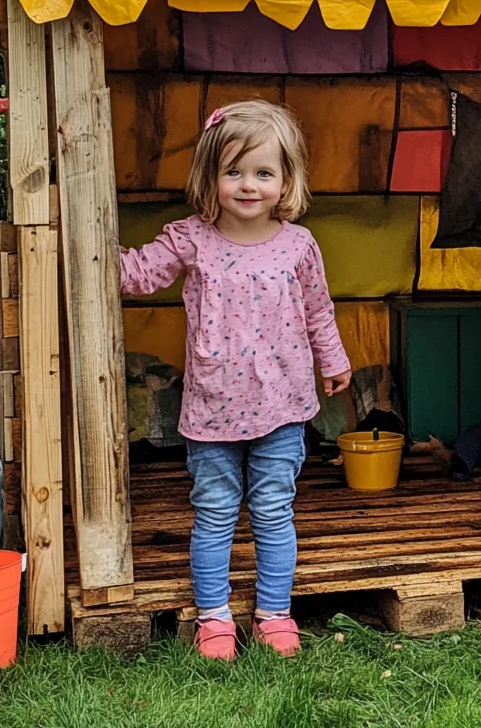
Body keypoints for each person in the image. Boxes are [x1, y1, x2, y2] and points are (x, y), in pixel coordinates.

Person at [120, 100, 351, 660]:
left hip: (281, 406)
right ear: (210, 175)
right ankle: (214, 617)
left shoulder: (299, 245)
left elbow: (318, 310)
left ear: (286, 179)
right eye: (234, 171)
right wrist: (81, 244)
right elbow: (136, 275)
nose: (249, 185)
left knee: (273, 509)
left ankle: (274, 613)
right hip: (213, 412)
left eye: (264, 173)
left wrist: (335, 360)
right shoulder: (190, 239)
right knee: (216, 511)